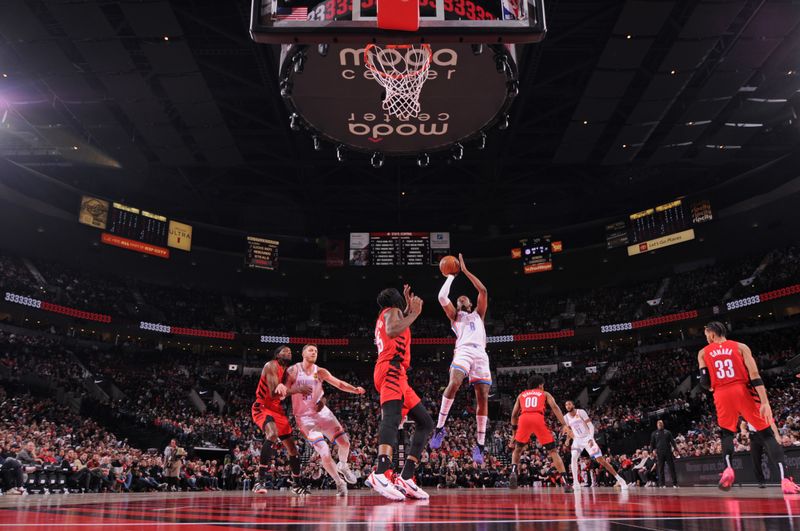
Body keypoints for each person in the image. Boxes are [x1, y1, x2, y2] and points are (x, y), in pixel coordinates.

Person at [698, 321, 799, 493]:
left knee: (727, 434)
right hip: (742, 390)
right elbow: (754, 375)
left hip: (721, 393)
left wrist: (713, 387)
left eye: (706, 335)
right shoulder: (740, 347)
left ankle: (728, 469)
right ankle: (785, 480)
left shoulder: (703, 353)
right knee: (767, 435)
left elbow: (704, 382)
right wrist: (765, 402)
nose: (706, 338)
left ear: (712, 334)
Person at [368, 285, 435, 501]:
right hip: (391, 368)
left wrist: (407, 309)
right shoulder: (390, 314)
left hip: (398, 373)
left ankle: (405, 478)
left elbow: (398, 324)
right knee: (392, 417)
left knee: (425, 422)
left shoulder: (392, 313)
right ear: (395, 302)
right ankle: (380, 472)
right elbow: (393, 329)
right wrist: (414, 313)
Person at [430, 254, 492, 464]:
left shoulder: (478, 314)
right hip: (464, 350)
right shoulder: (455, 317)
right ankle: (439, 428)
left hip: (481, 354)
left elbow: (483, 290)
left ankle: (481, 445)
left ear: (470, 303)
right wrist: (451, 276)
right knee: (454, 383)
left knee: (482, 397)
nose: (460, 300)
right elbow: (441, 297)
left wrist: (465, 271)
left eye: (463, 299)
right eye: (458, 300)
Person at [283, 344, 366, 497]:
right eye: (310, 350)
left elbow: (339, 384)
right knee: (325, 452)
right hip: (305, 419)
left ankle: (343, 465)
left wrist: (354, 389)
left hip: (323, 414)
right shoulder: (293, 370)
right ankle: (339, 483)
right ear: (303, 353)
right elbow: (282, 392)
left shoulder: (320, 371)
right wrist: (296, 390)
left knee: (345, 443)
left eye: (316, 351)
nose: (314, 352)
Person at [251, 345, 312, 496]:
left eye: (290, 351)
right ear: (277, 355)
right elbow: (273, 393)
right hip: (263, 406)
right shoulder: (271, 365)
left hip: (277, 410)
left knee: (293, 449)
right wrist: (298, 389)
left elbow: (286, 391)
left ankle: (297, 484)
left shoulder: (287, 372)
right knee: (272, 434)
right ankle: (259, 481)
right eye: (285, 351)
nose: (288, 352)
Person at [509, 374, 573, 493]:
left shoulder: (521, 395)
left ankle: (513, 471)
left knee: (517, 449)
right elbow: (554, 407)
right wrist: (564, 424)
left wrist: (514, 434)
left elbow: (513, 416)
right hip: (537, 417)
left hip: (524, 418)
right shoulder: (545, 394)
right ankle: (566, 482)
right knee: (553, 451)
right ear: (540, 385)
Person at [564, 400, 627, 490]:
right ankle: (576, 483)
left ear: (573, 405)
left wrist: (591, 438)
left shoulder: (581, 412)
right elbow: (569, 430)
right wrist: (567, 439)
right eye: (566, 405)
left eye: (569, 404)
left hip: (587, 438)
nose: (567, 406)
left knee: (601, 460)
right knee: (573, 458)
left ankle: (620, 480)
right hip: (577, 440)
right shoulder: (566, 417)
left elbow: (591, 426)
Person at [649, 419, 678, 488]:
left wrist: (676, 449)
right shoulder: (654, 433)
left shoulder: (667, 432)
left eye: (661, 424)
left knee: (672, 468)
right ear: (657, 425)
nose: (660, 425)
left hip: (668, 452)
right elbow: (652, 443)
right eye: (658, 424)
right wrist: (651, 452)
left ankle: (675, 484)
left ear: (663, 424)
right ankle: (662, 484)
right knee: (660, 469)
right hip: (659, 453)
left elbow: (672, 441)